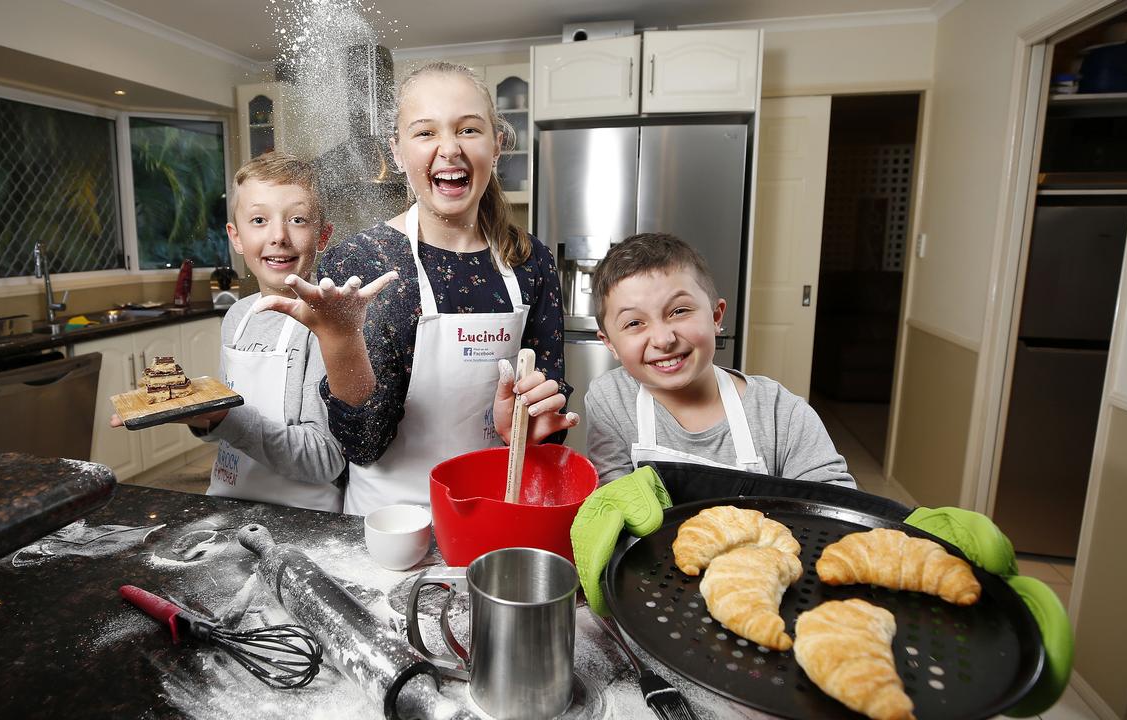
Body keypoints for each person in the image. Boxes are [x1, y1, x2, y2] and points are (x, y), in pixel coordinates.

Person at [316, 61, 578, 516]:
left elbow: (549, 425)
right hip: (391, 521)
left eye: (469, 130)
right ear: (397, 152)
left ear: (497, 146)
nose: (449, 149)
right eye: (425, 133)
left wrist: (528, 424)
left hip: (499, 507)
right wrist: (339, 341)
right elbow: (361, 442)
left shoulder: (531, 262)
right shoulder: (360, 262)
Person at [114, 152, 389, 511]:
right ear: (236, 236)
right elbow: (231, 436)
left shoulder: (328, 325)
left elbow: (325, 460)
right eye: (259, 220)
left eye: (298, 220)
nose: (278, 236)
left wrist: (224, 418)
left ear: (323, 235)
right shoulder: (237, 316)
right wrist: (203, 419)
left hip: (302, 518)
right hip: (228, 505)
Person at [584, 233, 855, 488]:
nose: (663, 339)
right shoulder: (611, 399)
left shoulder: (780, 413)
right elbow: (612, 504)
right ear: (610, 343)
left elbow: (835, 505)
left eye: (679, 311)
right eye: (634, 322)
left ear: (716, 317)